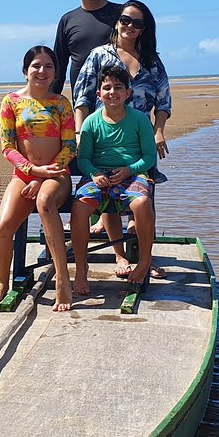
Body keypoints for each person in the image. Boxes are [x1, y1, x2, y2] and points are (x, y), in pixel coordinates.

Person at [72, 0, 171, 276]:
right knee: (111, 203)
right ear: (117, 22)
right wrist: (81, 132)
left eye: (137, 23)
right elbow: (82, 96)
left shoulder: (152, 60)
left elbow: (163, 99)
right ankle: (119, 256)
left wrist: (159, 130)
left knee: (142, 199)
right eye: (125, 20)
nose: (130, 26)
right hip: (103, 137)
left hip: (140, 138)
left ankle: (144, 259)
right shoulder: (100, 55)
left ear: (144, 29)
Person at [0, 46, 77, 311]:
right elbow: (7, 147)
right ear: (26, 71)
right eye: (36, 66)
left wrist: (44, 174)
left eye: (48, 66)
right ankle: (3, 282)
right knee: (3, 228)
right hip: (23, 175)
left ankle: (62, 279)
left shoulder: (61, 103)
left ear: (55, 73)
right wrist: (31, 171)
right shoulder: (11, 102)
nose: (42, 71)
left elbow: (70, 147)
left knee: (45, 202)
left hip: (56, 175)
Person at [71, 64, 158, 293]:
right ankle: (81, 268)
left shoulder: (139, 119)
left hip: (131, 173)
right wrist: (94, 174)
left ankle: (144, 261)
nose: (113, 92)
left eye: (118, 87)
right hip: (98, 175)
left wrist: (130, 169)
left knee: (142, 203)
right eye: (107, 87)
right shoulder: (91, 121)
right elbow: (84, 159)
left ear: (128, 93)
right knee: (79, 208)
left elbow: (149, 156)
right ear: (98, 94)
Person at [51, 0, 121, 95]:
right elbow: (59, 67)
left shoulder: (122, 15)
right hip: (83, 99)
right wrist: (51, 100)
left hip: (118, 96)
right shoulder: (68, 20)